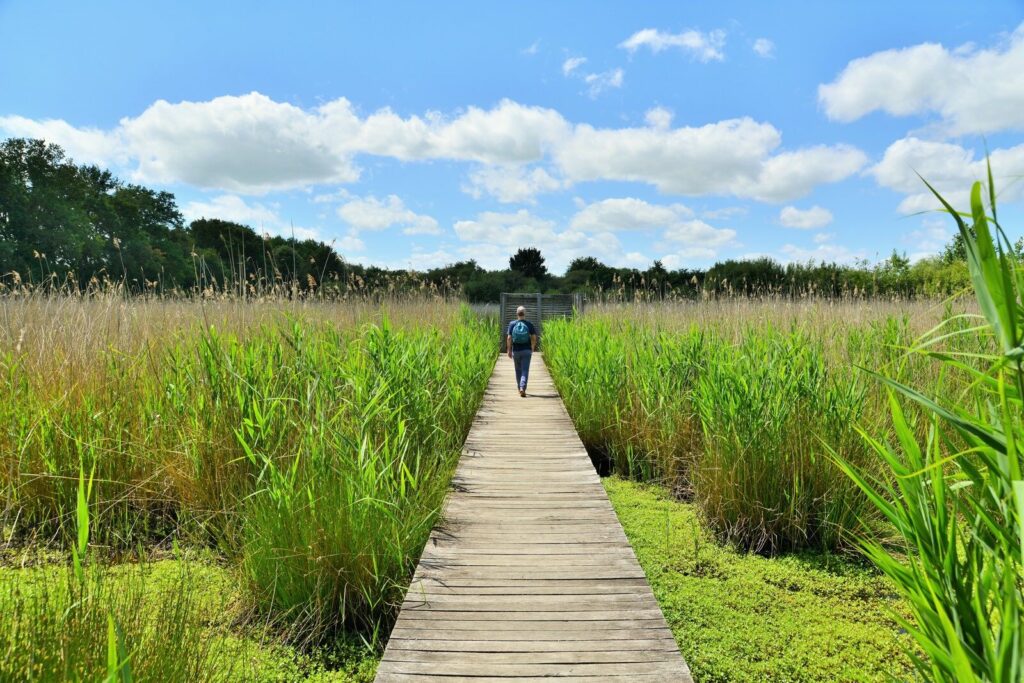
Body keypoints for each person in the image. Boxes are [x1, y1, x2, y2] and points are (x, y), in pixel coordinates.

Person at [506, 306, 538, 397]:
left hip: (516, 351)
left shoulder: (512, 324)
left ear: (517, 314)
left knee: (518, 370)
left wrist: (509, 350)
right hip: (526, 350)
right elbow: (534, 337)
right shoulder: (529, 324)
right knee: (525, 370)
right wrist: (532, 347)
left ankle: (519, 387)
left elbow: (509, 338)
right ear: (525, 314)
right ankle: (522, 387)